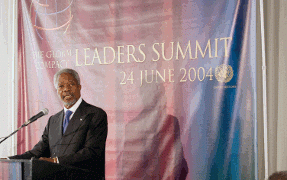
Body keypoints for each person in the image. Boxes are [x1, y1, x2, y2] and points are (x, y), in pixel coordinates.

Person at [9, 68, 108, 179]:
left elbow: (91, 152)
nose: (66, 89)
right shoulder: (53, 120)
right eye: (61, 86)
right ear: (56, 91)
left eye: (71, 84)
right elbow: (37, 152)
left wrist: (55, 161)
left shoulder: (95, 114)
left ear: (79, 87)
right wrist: (9, 161)